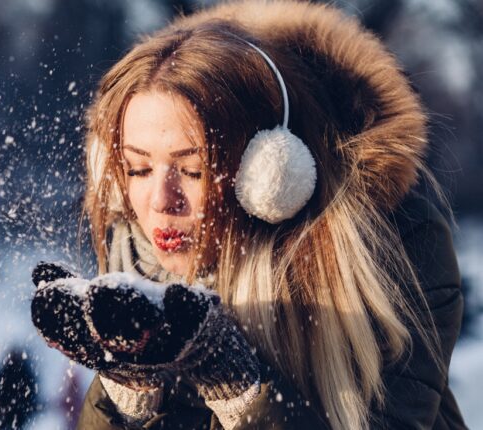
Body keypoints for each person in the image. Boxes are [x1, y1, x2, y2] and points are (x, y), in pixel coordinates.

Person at [30, 1, 467, 429]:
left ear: (271, 174)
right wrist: (128, 393)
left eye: (193, 170)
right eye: (138, 169)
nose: (161, 201)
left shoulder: (396, 249)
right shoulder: (138, 259)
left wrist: (236, 385)